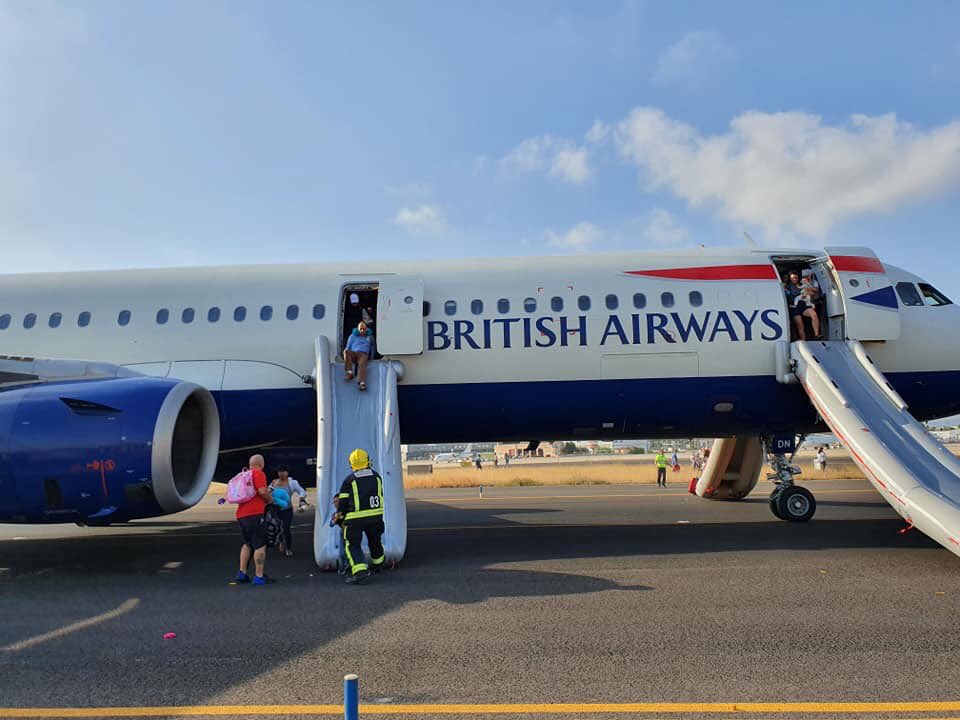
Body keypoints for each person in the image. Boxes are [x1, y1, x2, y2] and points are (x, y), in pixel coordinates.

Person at [336, 448, 386, 585]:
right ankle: (378, 565)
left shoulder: (349, 480)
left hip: (354, 519)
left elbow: (343, 502)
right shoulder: (376, 476)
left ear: (352, 463)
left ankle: (359, 572)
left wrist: (339, 517)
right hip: (375, 516)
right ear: (367, 461)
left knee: (353, 545)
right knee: (375, 541)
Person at [235, 454, 274, 586]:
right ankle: (258, 576)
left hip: (241, 514)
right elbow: (263, 491)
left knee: (247, 544)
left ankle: (242, 572)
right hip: (255, 513)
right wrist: (269, 500)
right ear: (261, 464)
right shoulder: (258, 474)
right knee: (260, 545)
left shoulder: (243, 475)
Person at [270, 465, 307, 557]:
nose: (281, 474)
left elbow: (302, 491)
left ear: (287, 473)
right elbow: (268, 492)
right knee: (277, 528)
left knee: (286, 528)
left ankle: (288, 548)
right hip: (275, 509)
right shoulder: (274, 482)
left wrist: (301, 499)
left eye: (283, 471)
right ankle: (281, 541)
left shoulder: (292, 483)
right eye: (279, 472)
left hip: (287, 509)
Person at [784, 271, 820, 341]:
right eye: (793, 278)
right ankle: (803, 341)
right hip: (794, 308)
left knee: (814, 315)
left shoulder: (803, 284)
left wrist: (807, 293)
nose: (794, 279)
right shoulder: (788, 286)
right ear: (790, 279)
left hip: (803, 305)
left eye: (796, 277)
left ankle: (817, 335)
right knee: (800, 326)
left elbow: (812, 293)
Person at [344, 321, 374, 391]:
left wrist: (372, 357)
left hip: (364, 354)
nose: (362, 330)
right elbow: (348, 346)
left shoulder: (370, 337)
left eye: (364, 329)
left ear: (366, 329)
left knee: (362, 364)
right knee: (346, 351)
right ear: (358, 329)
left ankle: (362, 382)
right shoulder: (352, 336)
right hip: (354, 353)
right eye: (360, 329)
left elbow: (373, 347)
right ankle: (349, 372)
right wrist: (346, 355)